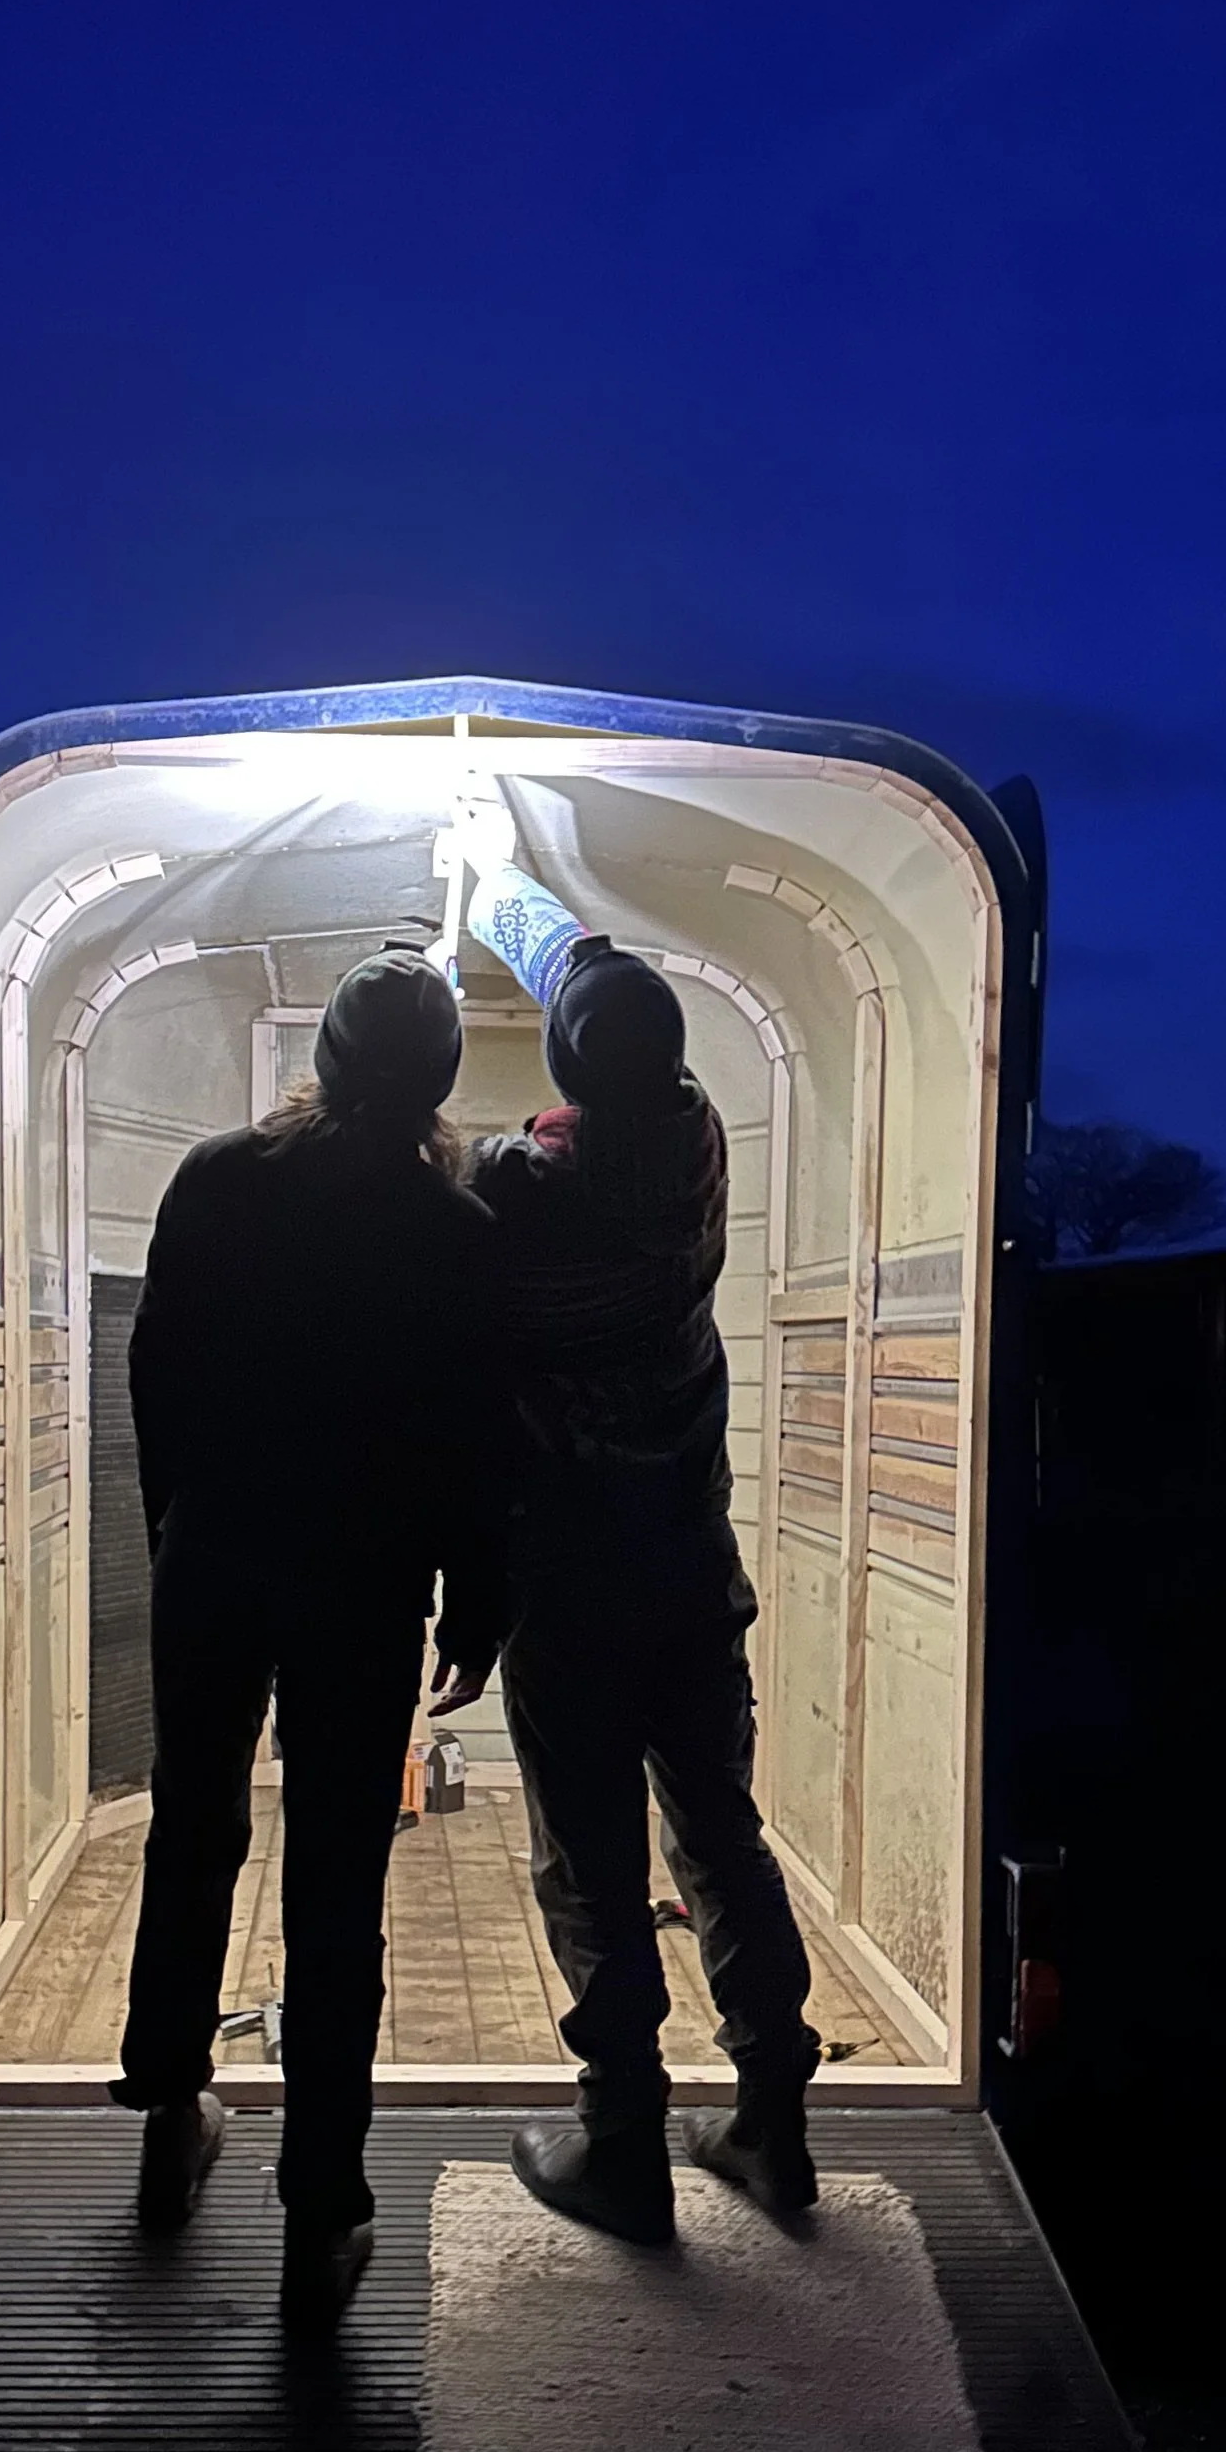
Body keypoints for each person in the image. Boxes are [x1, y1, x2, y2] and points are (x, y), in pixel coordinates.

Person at [433, 832, 819, 2244]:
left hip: (572, 1594)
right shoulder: (699, 1138)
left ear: (568, 1081)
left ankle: (624, 2147)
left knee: (589, 1864)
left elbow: (442, 1159)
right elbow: (599, 991)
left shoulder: (519, 1191)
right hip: (692, 1584)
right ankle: (775, 2123)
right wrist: (514, 886)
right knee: (724, 1839)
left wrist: (468, 889)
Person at [112, 949, 505, 2327]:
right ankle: (321, 2210)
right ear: (440, 1079)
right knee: (338, 1881)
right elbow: (475, 1440)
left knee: (194, 1825)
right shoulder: (451, 1232)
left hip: (213, 1556)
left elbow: (153, 1369)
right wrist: (479, 1598)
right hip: (362, 1584)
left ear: (323, 1062)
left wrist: (177, 1524)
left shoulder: (219, 1181)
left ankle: (171, 2110)